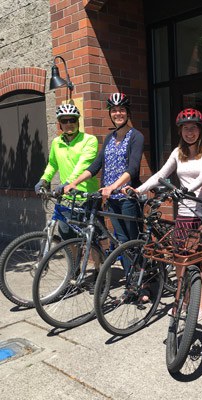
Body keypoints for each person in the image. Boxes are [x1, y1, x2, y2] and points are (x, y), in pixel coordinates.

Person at [126, 108, 202, 321]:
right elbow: (161, 175)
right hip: (184, 212)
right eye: (185, 129)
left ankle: (201, 303)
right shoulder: (177, 153)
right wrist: (139, 189)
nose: (189, 133)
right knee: (181, 259)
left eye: (193, 128)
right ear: (180, 131)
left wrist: (187, 191)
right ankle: (183, 297)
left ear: (200, 130)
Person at [64, 93, 144, 280]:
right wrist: (73, 183)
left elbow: (132, 169)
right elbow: (95, 166)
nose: (118, 113)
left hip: (127, 198)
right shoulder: (110, 137)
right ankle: (130, 281)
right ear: (110, 113)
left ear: (127, 112)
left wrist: (112, 187)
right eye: (114, 110)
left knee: (133, 242)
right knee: (121, 241)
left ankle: (143, 284)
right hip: (111, 200)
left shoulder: (136, 136)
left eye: (121, 109)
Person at [34, 103, 99, 239]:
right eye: (64, 121)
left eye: (72, 120)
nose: (69, 124)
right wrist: (44, 180)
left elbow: (83, 164)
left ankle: (98, 261)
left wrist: (69, 183)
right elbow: (52, 164)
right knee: (67, 238)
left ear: (78, 121)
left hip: (86, 197)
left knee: (90, 240)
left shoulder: (89, 140)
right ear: (59, 124)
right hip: (66, 199)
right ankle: (73, 261)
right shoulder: (56, 142)